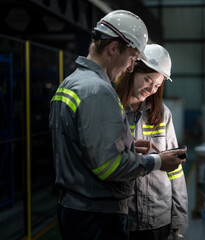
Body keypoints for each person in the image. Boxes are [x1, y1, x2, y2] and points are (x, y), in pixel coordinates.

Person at [49, 10, 186, 240]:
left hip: (77, 208)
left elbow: (85, 147)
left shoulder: (70, 84)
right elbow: (109, 167)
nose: (131, 67)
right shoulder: (99, 91)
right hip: (97, 216)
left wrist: (129, 146)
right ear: (113, 48)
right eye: (132, 58)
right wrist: (157, 161)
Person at [114, 44, 188, 240]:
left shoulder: (162, 114)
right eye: (148, 80)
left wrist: (178, 217)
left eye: (157, 85)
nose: (151, 90)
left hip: (158, 217)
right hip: (123, 216)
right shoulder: (112, 109)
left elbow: (176, 168)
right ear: (132, 70)